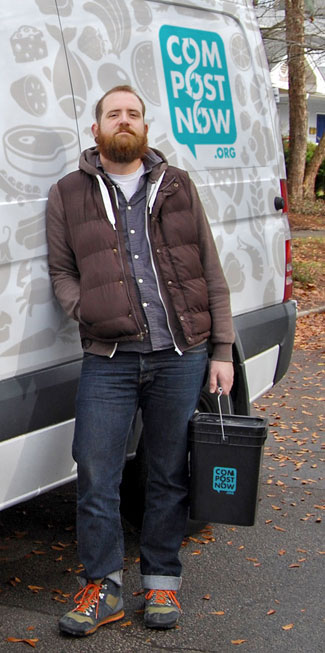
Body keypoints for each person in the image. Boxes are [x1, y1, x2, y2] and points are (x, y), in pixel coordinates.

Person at [46, 84, 235, 637]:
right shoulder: (67, 193)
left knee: (167, 471)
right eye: (113, 114)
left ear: (145, 127)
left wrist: (221, 350)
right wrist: (89, 309)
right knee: (97, 472)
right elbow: (61, 271)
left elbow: (210, 270)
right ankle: (102, 587)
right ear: (96, 129)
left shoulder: (178, 186)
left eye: (133, 114)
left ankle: (160, 582)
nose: (123, 121)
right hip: (109, 358)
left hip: (181, 355)